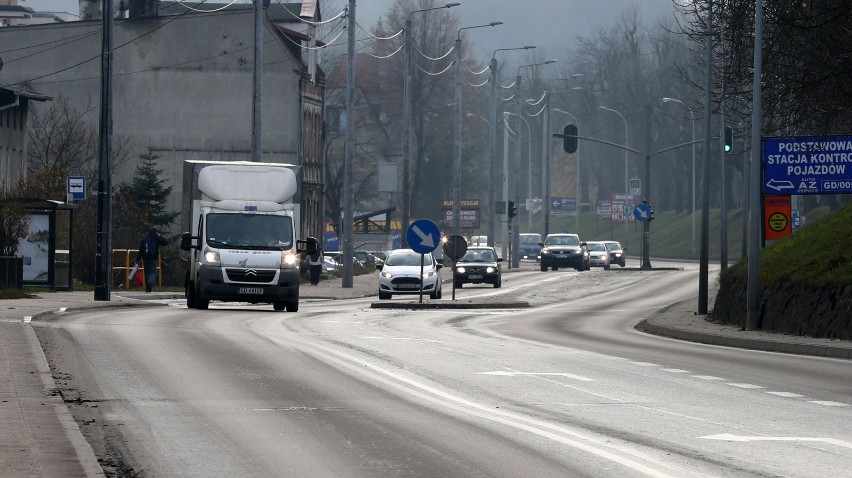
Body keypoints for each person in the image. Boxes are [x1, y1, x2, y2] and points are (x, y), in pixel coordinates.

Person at [136, 228, 168, 293]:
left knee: (146, 273)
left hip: (145, 259)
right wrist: (159, 236)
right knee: (153, 272)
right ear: (155, 233)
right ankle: (150, 282)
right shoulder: (156, 238)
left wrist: (138, 259)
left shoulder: (144, 239)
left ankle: (148, 288)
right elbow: (165, 243)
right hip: (153, 258)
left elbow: (141, 250)